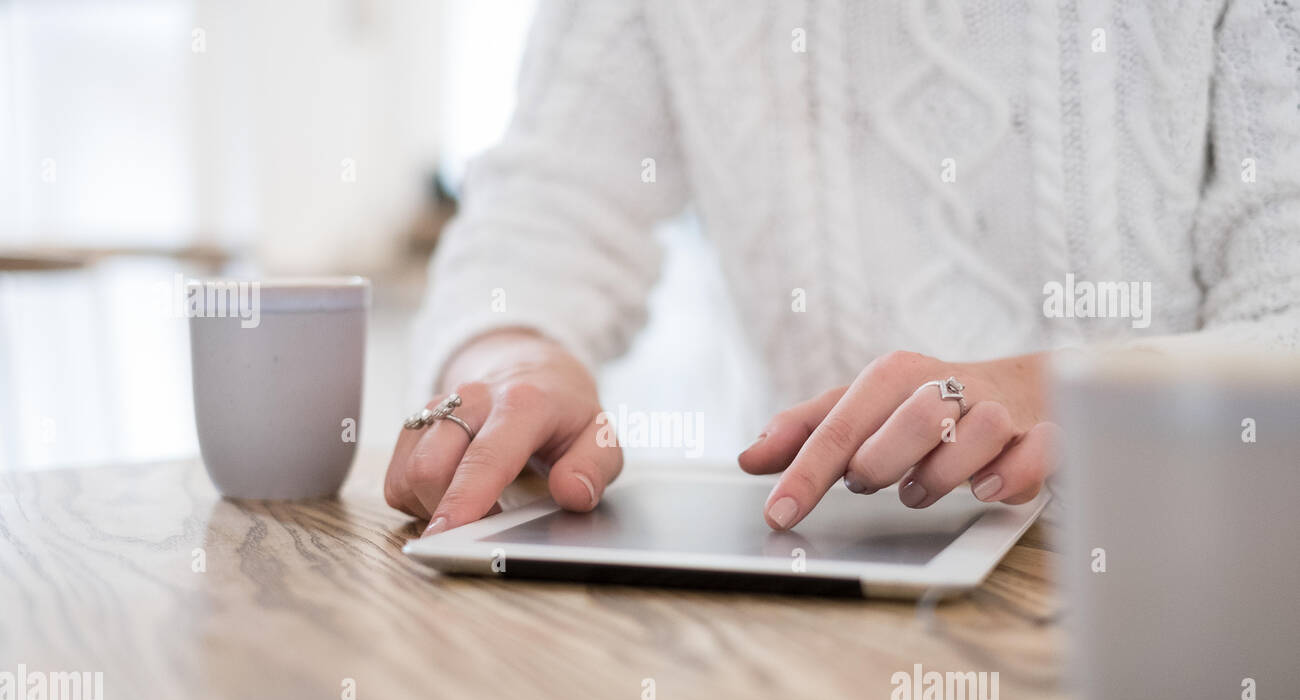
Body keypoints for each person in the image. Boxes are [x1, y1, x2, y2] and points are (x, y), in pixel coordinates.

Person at [386, 0, 1300, 537]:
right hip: (818, 603)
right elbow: (539, 216)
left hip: (1202, 585)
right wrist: (509, 360)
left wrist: (1074, 393)